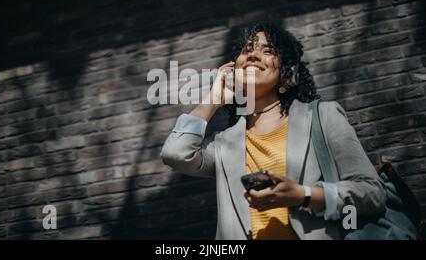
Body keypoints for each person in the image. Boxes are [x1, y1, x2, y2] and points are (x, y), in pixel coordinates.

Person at [160, 22, 386, 240]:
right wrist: (213, 99)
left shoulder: (323, 116)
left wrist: (304, 195)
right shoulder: (224, 143)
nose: (253, 55)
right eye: (246, 50)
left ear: (286, 74)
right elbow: (176, 154)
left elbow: (372, 193)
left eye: (267, 50)